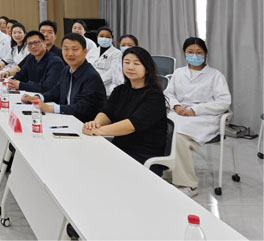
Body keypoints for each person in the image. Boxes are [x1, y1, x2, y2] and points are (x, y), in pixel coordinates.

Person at [165, 37, 231, 197]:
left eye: (199, 52)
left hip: (204, 118)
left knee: (179, 136)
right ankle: (168, 171)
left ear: (205, 54)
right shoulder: (179, 73)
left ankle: (189, 184)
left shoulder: (215, 75)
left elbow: (224, 102)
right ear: (184, 53)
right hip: (179, 113)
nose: (194, 55)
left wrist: (195, 110)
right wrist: (177, 106)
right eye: (190, 52)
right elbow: (168, 93)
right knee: (163, 130)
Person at [82, 47, 167, 165]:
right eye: (126, 62)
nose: (130, 67)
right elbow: (107, 112)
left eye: (136, 64)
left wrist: (99, 130)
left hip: (142, 154)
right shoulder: (120, 90)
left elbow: (132, 125)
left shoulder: (154, 96)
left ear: (147, 68)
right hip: (119, 148)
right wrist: (95, 124)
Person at [22, 33, 106, 123]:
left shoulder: (91, 76)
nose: (70, 54)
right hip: (67, 119)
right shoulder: (67, 70)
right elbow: (56, 91)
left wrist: (49, 108)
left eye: (75, 49)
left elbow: (82, 108)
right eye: (66, 49)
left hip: (85, 124)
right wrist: (38, 97)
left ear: (85, 52)